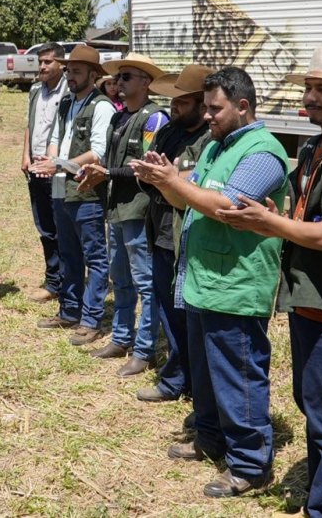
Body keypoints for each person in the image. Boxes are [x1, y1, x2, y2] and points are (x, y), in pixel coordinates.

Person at [217, 47, 322, 517]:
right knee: (313, 404)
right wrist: (277, 217)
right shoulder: (314, 147)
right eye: (308, 88)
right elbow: (302, 215)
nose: (309, 98)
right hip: (307, 296)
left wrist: (269, 224)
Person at [132, 67, 288, 498]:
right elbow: (188, 196)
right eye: (205, 107)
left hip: (235, 285)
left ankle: (250, 465)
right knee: (204, 373)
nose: (208, 115)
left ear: (243, 106)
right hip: (203, 280)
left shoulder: (263, 152)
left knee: (238, 376)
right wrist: (164, 180)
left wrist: (175, 182)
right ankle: (210, 438)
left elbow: (226, 206)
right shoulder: (217, 147)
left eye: (215, 108)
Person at [79, 53, 168, 375]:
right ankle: (120, 337)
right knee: (122, 280)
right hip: (117, 210)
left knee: (145, 283)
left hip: (138, 210)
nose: (119, 82)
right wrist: (98, 173)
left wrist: (107, 174)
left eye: (127, 77)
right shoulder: (119, 117)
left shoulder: (154, 118)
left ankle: (144, 350)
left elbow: (146, 166)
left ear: (146, 83)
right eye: (119, 77)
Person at [133, 64, 213, 403]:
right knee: (168, 309)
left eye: (182, 102)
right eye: (173, 101)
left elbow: (194, 182)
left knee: (187, 315)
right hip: (160, 229)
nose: (174, 107)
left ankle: (193, 383)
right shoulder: (169, 131)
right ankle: (177, 378)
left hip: (185, 233)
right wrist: (151, 175)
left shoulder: (208, 139)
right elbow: (151, 171)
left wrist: (169, 178)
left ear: (200, 102)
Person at [29, 45, 114, 347]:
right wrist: (48, 162)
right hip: (60, 187)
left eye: (77, 71)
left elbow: (98, 153)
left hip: (84, 190)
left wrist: (59, 164)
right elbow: (55, 138)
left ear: (93, 74)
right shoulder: (67, 102)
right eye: (69, 70)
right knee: (68, 253)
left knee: (94, 255)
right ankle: (70, 310)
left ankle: (91, 319)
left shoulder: (101, 106)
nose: (71, 75)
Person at [21, 42, 68, 302]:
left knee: (62, 224)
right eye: (40, 62)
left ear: (61, 63)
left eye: (48, 62)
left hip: (57, 169)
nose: (42, 66)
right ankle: (53, 280)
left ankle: (68, 280)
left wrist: (54, 161)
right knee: (44, 226)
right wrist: (25, 155)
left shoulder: (69, 91)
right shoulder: (36, 90)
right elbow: (30, 124)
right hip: (35, 167)